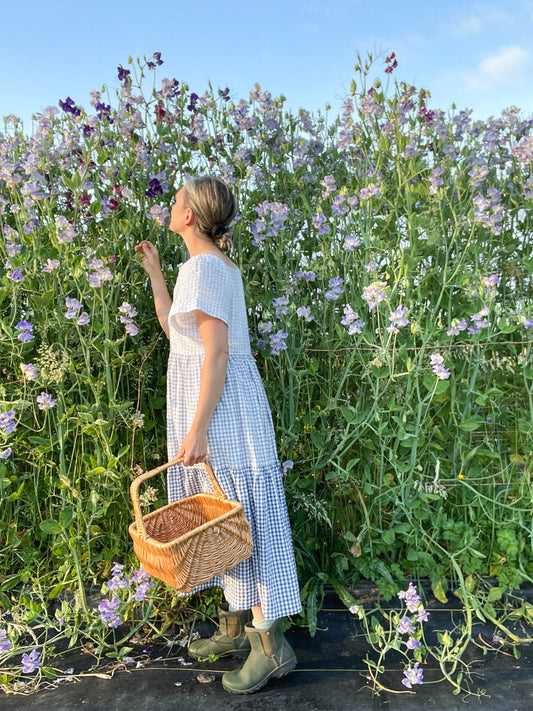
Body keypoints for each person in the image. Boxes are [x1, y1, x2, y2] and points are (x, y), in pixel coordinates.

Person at [134, 176, 302, 694]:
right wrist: (157, 274)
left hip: (222, 410)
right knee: (221, 518)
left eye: (177, 199)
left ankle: (270, 648)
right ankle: (236, 628)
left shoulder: (205, 267)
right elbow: (176, 330)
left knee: (235, 517)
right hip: (215, 403)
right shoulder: (204, 267)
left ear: (190, 215)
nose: (171, 204)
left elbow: (218, 352)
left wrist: (200, 427)